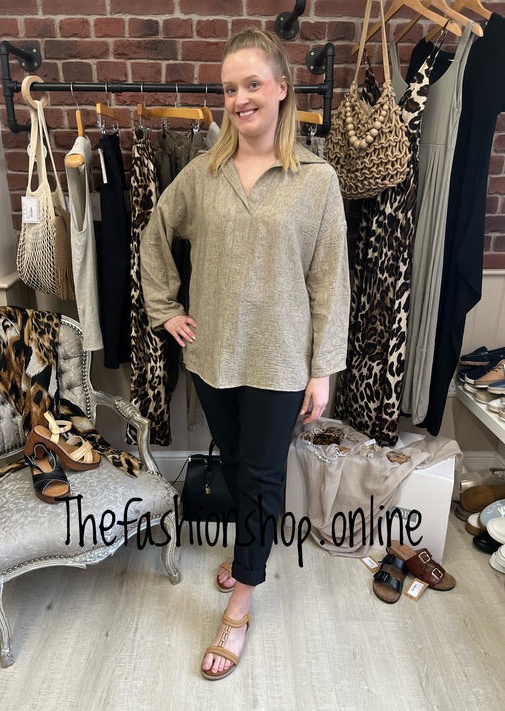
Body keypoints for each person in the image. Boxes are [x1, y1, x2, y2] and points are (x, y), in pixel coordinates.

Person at [140, 26, 350, 681]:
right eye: (229, 88)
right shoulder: (203, 174)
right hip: (214, 356)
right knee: (235, 463)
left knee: (260, 476)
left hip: (280, 360)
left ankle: (241, 600)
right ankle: (250, 550)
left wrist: (322, 369)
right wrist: (165, 309)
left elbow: (330, 279)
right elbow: (154, 231)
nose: (239, 99)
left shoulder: (316, 180)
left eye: (252, 84)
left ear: (281, 88)